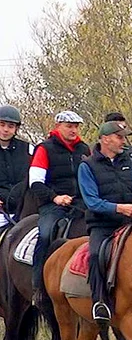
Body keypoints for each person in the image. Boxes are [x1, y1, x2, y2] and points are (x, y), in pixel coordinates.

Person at [78, 121, 132, 322]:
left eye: (123, 137)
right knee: (95, 255)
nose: (123, 141)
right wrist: (119, 208)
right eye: (119, 137)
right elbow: (92, 202)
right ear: (105, 139)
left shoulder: (129, 162)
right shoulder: (87, 166)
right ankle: (99, 302)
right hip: (102, 225)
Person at [29, 110, 90, 302]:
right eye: (69, 126)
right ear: (58, 127)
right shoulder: (44, 149)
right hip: (52, 205)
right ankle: (38, 286)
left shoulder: (84, 150)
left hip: (80, 204)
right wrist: (55, 197)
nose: (73, 130)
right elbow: (35, 182)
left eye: (76, 127)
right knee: (46, 234)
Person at [0, 104, 31, 226]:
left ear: (16, 129)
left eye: (10, 126)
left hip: (23, 208)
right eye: (2, 125)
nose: (6, 129)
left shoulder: (28, 149)